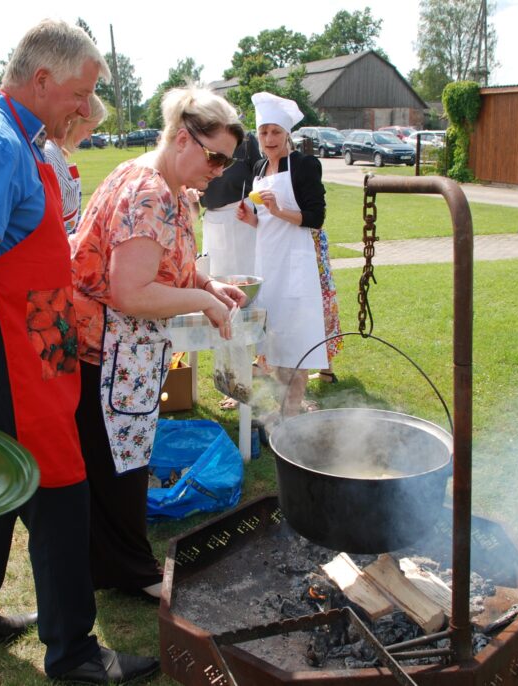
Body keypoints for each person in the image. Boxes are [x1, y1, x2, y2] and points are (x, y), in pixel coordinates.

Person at [0, 19, 157, 684]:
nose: (87, 109)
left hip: (34, 327)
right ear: (42, 80)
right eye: (81, 93)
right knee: (60, 490)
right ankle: (75, 654)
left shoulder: (20, 140)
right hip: (5, 339)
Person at [70, 86, 247, 597]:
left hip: (126, 353)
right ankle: (132, 573)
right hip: (110, 353)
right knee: (120, 473)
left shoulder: (164, 187)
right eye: (214, 157)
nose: (218, 170)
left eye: (226, 162)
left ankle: (113, 568)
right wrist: (205, 305)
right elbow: (131, 290)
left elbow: (170, 267)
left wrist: (207, 285)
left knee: (121, 466)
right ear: (181, 137)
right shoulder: (149, 192)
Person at [236, 91, 338, 416]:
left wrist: (279, 211)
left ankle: (291, 413)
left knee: (295, 342)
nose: (268, 138)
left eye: (275, 132)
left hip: (295, 266)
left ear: (287, 134)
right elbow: (266, 224)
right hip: (267, 265)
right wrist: (252, 219)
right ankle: (286, 409)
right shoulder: (260, 166)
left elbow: (315, 217)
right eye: (263, 132)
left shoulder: (305, 165)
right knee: (274, 340)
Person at [42, 93, 108, 234]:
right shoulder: (50, 154)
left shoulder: (56, 153)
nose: (89, 136)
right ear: (75, 121)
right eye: (89, 129)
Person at [200, 130, 263, 276]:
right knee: (216, 272)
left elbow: (259, 175)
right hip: (213, 218)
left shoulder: (246, 141)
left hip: (242, 215)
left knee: (247, 271)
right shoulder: (199, 140)